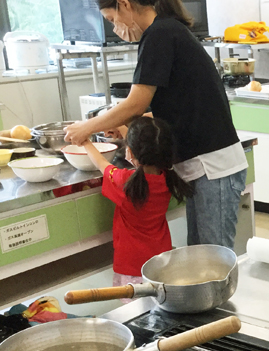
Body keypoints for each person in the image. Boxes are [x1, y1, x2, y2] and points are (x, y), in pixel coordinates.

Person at [64, 0, 247, 249]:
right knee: (201, 256)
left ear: (124, 4)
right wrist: (123, 126)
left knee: (213, 259)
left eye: (110, 19)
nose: (114, 27)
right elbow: (177, 106)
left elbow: (135, 104)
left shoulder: (160, 34)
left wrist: (86, 127)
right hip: (205, 166)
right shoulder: (167, 31)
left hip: (213, 167)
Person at [82, 117, 193, 297]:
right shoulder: (167, 179)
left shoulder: (123, 182)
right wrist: (118, 124)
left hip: (130, 266)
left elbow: (102, 164)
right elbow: (148, 147)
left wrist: (85, 141)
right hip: (160, 263)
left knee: (136, 314)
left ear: (131, 154)